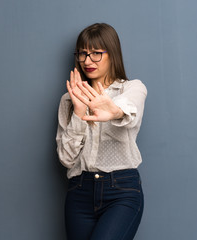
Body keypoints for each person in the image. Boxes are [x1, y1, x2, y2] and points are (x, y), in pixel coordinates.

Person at [56, 23, 147, 240]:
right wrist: (79, 112)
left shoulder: (132, 88)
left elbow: (127, 110)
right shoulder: (68, 99)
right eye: (83, 54)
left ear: (112, 53)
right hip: (80, 192)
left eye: (96, 53)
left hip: (122, 191)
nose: (88, 61)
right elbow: (66, 160)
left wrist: (112, 111)